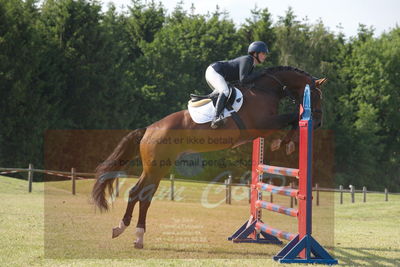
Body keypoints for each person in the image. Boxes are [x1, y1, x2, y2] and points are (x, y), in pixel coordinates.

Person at [205, 41, 269, 129]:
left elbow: (245, 82)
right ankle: (216, 118)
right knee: (225, 91)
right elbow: (243, 79)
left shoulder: (251, 65)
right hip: (215, 71)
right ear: (255, 53)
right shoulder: (248, 59)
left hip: (219, 74)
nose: (265, 56)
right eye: (263, 53)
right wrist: (261, 73)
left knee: (227, 93)